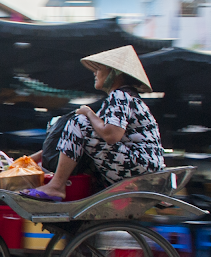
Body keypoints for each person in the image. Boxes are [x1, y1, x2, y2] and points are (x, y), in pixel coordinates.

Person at [30, 45, 165, 202]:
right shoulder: (120, 98)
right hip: (139, 164)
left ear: (115, 73)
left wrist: (88, 112)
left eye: (99, 69)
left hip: (140, 165)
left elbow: (112, 135)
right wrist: (30, 160)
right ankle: (58, 185)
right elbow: (73, 142)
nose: (95, 73)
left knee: (79, 122)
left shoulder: (121, 95)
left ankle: (56, 186)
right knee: (81, 125)